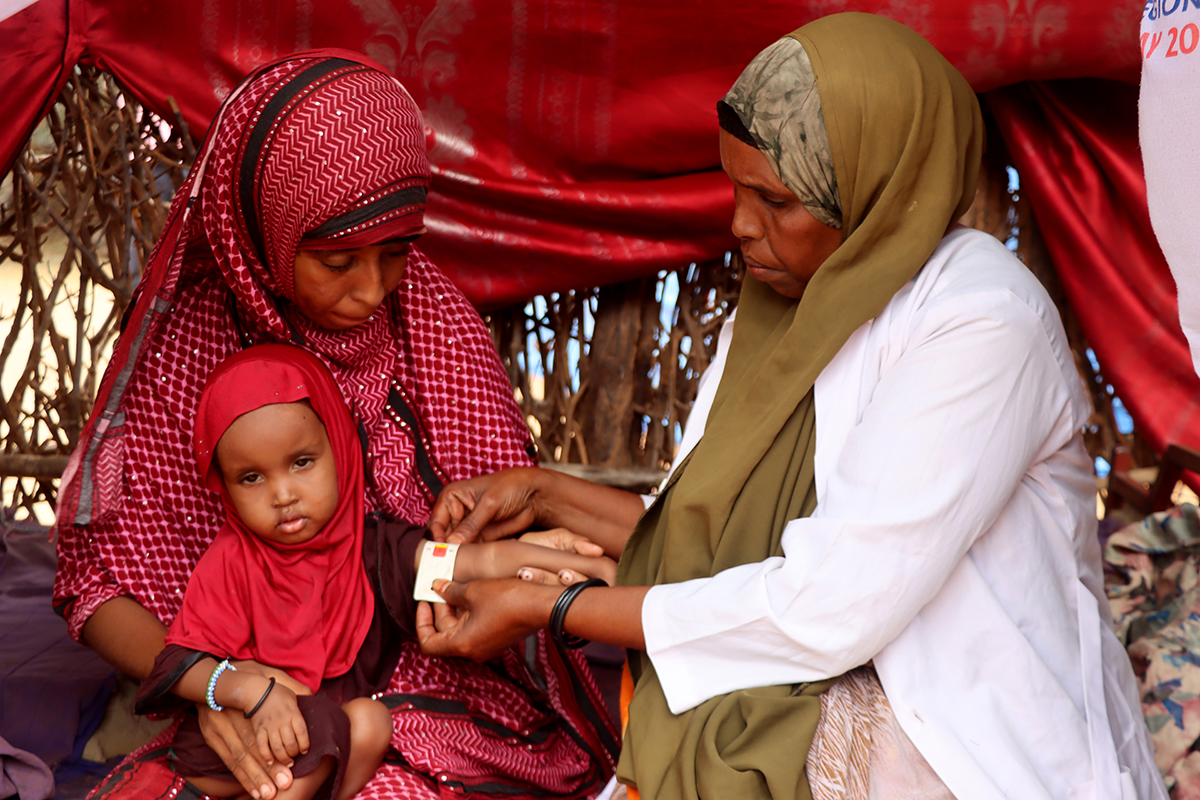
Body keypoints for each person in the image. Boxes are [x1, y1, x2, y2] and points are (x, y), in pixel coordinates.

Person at [415, 14, 1166, 800]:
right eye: (737, 190)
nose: (742, 225)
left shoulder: (981, 323)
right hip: (820, 682)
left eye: (776, 200)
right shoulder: (787, 309)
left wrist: (554, 606)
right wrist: (542, 493)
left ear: (873, 186)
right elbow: (722, 546)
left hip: (961, 739)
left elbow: (828, 603)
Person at [53, 51, 617, 800]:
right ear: (270, 231)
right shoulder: (186, 347)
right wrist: (218, 686)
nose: (371, 290)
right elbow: (92, 587)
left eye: (393, 254)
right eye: (337, 261)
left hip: (440, 677)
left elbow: (446, 562)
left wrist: (551, 562)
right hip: (236, 687)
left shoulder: (434, 324)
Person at [133, 344, 615, 800]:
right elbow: (180, 663)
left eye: (301, 463)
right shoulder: (232, 560)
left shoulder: (375, 551)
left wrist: (588, 566)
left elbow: (474, 562)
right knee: (328, 723)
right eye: (252, 477)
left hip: (318, 745)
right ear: (224, 486)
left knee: (371, 722)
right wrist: (253, 692)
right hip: (238, 750)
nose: (282, 495)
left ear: (340, 451)